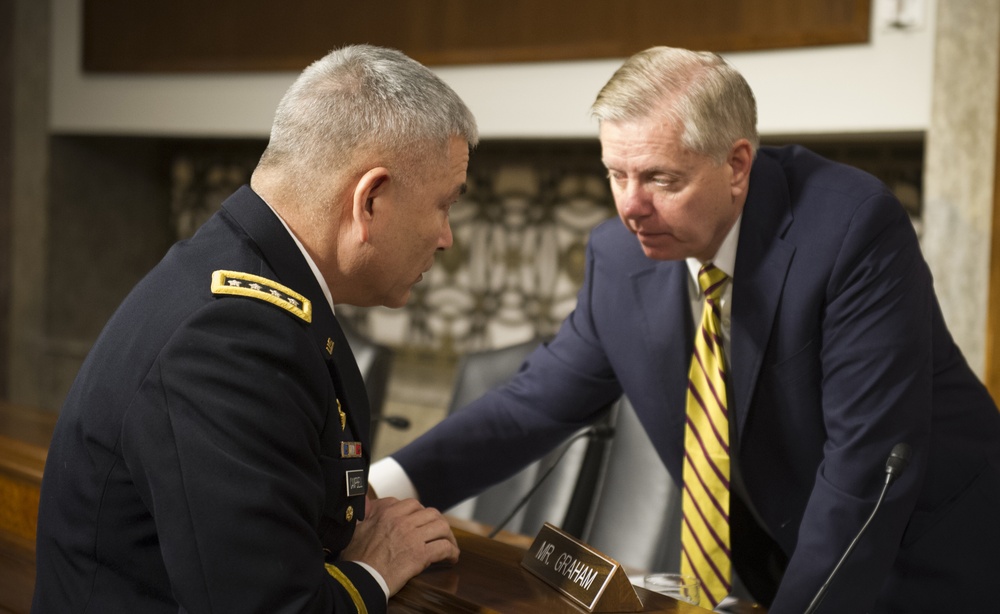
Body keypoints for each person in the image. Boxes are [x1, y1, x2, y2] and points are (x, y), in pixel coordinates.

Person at [370, 46, 1000, 613]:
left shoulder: (851, 231)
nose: (630, 206)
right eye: (616, 173)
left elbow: (867, 465)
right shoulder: (618, 259)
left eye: (659, 179)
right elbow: (527, 408)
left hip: (924, 562)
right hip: (784, 568)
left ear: (736, 165)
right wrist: (377, 490)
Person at [32, 44, 478, 613]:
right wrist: (374, 567)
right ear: (371, 200)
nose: (445, 237)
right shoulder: (230, 336)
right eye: (444, 205)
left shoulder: (243, 283)